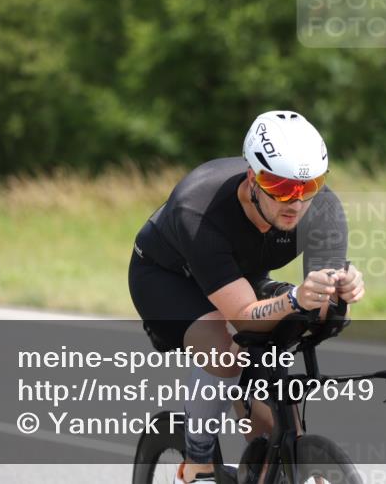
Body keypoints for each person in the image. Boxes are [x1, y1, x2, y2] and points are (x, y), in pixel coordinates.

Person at [128, 110, 365, 483]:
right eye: (282, 186)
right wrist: (292, 300)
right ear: (252, 176)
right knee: (225, 348)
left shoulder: (322, 207)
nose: (296, 202)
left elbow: (320, 309)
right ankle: (199, 462)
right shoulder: (198, 208)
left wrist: (340, 295)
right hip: (168, 278)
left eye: (309, 186)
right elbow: (241, 316)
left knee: (274, 423)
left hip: (240, 277)